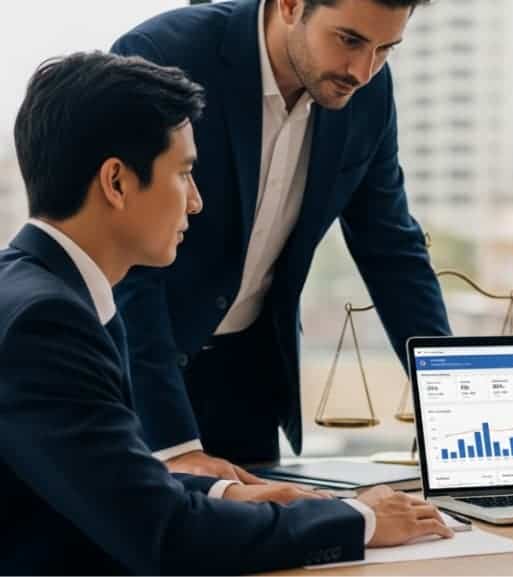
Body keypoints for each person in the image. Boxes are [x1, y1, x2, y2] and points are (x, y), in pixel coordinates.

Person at [0, 51, 451, 575]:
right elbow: (165, 536)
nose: (195, 202)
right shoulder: (48, 322)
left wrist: (223, 492)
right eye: (185, 174)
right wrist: (358, 521)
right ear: (117, 182)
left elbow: (101, 473)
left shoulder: (42, 286)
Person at [110, 0, 450, 475]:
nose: (363, 71)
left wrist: (450, 401)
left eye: (386, 49)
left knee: (269, 540)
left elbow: (391, 248)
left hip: (247, 376)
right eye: (349, 40)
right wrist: (172, 444)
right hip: (137, 368)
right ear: (290, 5)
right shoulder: (162, 55)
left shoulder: (367, 94)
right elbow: (126, 262)